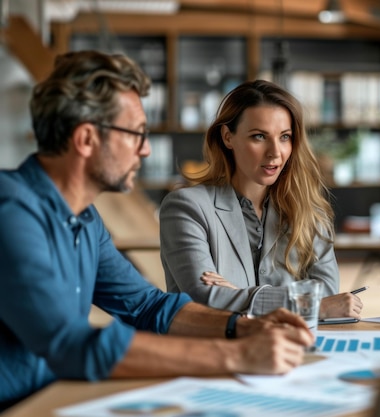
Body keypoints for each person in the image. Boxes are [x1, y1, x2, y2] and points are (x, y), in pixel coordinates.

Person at [0, 51, 314, 410]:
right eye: (136, 134)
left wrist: (241, 326)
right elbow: (68, 343)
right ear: (86, 139)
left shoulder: (86, 220)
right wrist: (237, 355)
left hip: (58, 401)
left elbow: (147, 306)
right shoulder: (9, 209)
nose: (146, 150)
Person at [159, 79, 363, 318]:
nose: (275, 152)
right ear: (227, 137)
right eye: (259, 136)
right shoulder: (186, 207)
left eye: (284, 137)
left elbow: (327, 291)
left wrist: (238, 295)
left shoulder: (309, 212)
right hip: (218, 350)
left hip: (295, 349)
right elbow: (204, 298)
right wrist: (312, 305)